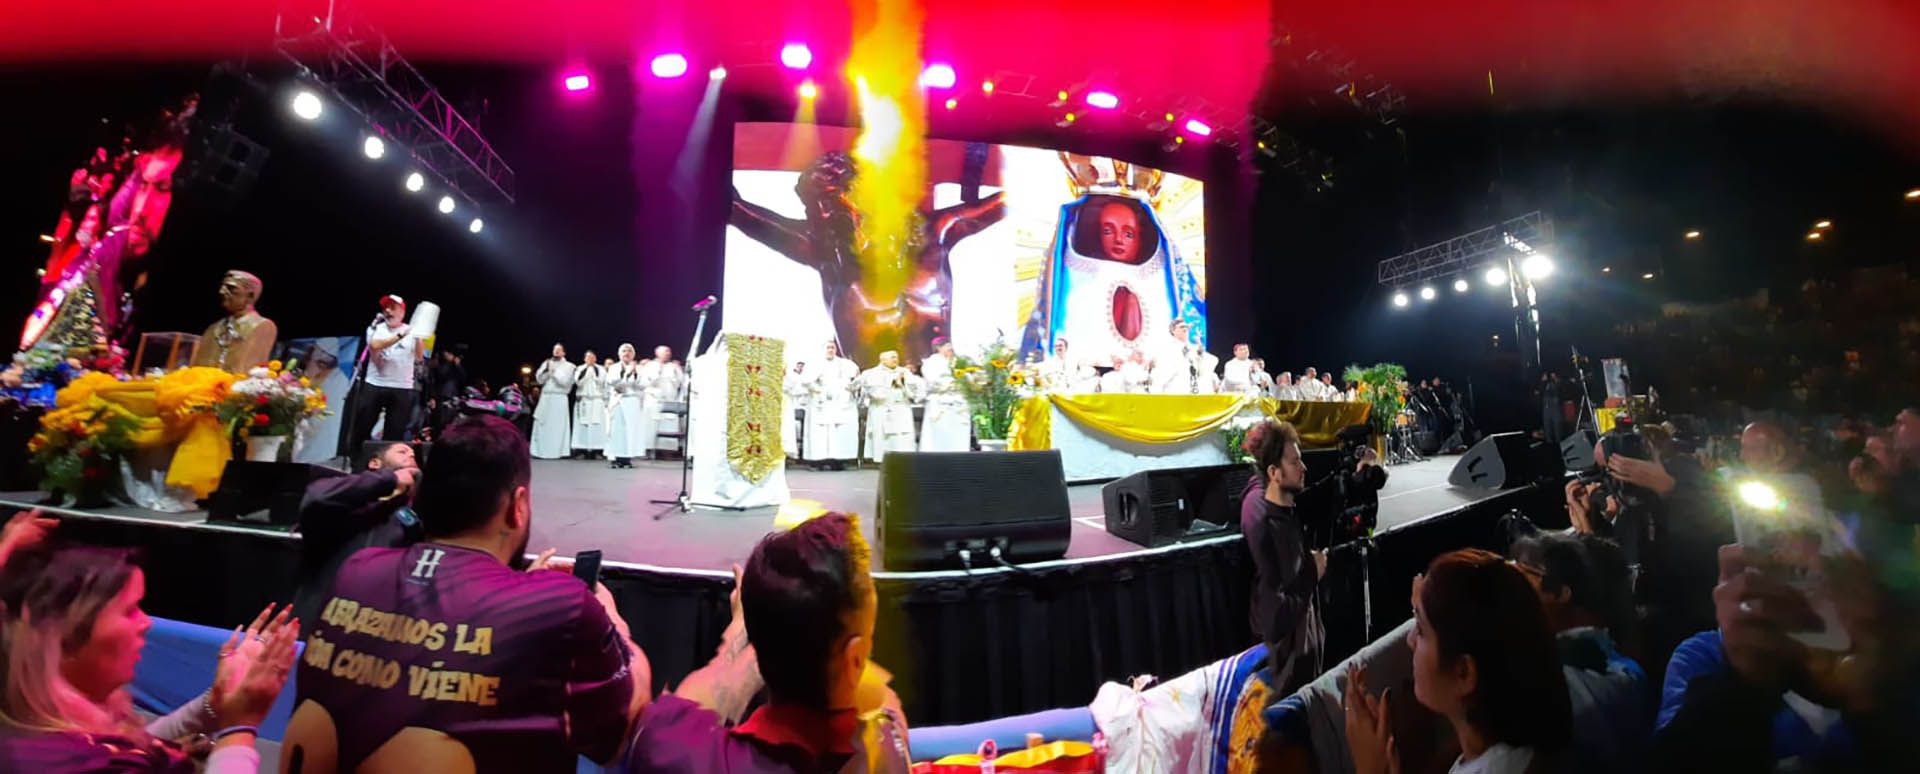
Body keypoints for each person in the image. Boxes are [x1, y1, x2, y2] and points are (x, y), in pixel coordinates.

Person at [282, 415, 647, 772]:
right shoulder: (561, 604)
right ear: (517, 506)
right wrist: (611, 618)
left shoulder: (357, 571)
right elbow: (618, 739)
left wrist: (521, 587)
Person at [625, 512, 911, 771]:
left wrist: (743, 630)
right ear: (856, 658)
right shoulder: (885, 748)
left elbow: (691, 705)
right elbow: (881, 700)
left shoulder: (676, 753)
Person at [0, 543, 299, 773]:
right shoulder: (75, 763)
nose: (146, 624)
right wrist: (240, 729)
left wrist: (213, 703)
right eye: (130, 610)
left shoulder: (37, 723)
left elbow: (139, 741)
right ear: (64, 636)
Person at [729, 150, 1006, 366]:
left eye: (829, 202)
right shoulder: (823, 248)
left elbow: (1008, 201)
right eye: (813, 208)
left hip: (937, 390)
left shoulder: (934, 232)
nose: (821, 215)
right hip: (866, 396)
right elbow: (738, 212)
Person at [1344, 549, 1573, 774]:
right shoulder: (1523, 743)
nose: (1410, 639)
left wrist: (1371, 767)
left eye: (1421, 629)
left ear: (1464, 673)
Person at [292, 441, 421, 628]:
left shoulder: (411, 513)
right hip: (317, 616)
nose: (410, 456)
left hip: (371, 625)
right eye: (402, 451)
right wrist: (390, 480)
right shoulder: (344, 494)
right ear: (375, 463)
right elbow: (317, 498)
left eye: (414, 455)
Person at [1239, 419, 1326, 696]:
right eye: (1295, 462)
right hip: (1282, 674)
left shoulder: (1284, 506)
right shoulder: (1262, 518)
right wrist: (1313, 571)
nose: (1304, 468)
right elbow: (1273, 616)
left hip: (1300, 660)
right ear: (1274, 472)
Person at [348, 295, 419, 453]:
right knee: (363, 426)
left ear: (402, 312)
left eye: (392, 307)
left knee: (394, 432)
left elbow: (420, 357)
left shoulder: (413, 332)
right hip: (375, 383)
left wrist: (419, 336)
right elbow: (375, 345)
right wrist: (402, 335)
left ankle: (387, 468)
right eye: (385, 307)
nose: (387, 311)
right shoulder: (375, 328)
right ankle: (357, 462)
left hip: (402, 386)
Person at [189, 270, 277, 374]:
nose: (221, 291)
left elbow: (244, 370)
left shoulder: (263, 326)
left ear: (250, 296)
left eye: (231, 288)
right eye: (223, 287)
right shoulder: (214, 328)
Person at [803, 341, 860, 467]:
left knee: (839, 432)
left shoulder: (845, 363)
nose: (830, 350)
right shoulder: (814, 364)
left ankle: (838, 461)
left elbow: (856, 378)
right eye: (828, 347)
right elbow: (807, 381)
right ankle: (818, 461)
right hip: (821, 403)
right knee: (821, 434)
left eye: (833, 347)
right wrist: (819, 391)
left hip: (840, 404)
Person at [858, 350, 917, 462]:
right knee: (883, 437)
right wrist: (893, 381)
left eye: (896, 357)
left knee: (902, 437)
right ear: (883, 360)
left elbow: (914, 392)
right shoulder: (871, 373)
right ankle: (882, 460)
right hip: (882, 409)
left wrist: (903, 383)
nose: (895, 359)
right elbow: (875, 394)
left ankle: (903, 459)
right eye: (892, 357)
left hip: (901, 408)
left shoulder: (904, 372)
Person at [918, 338, 969, 452]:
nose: (950, 349)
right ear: (939, 348)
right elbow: (932, 380)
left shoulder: (958, 362)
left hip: (958, 402)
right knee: (939, 432)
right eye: (947, 346)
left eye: (951, 346)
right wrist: (951, 384)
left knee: (958, 432)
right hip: (940, 401)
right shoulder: (931, 362)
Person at [638, 345, 687, 459]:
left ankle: (666, 451)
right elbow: (644, 382)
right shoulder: (650, 365)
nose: (668, 354)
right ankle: (648, 450)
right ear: (657, 353)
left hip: (669, 399)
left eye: (669, 352)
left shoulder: (673, 366)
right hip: (653, 400)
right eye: (665, 352)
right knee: (650, 426)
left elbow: (681, 382)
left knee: (668, 425)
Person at [529, 343, 575, 459]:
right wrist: (546, 371)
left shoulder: (570, 366)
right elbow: (539, 380)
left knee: (557, 426)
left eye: (559, 350)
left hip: (559, 398)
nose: (556, 352)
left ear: (564, 353)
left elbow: (564, 382)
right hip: (546, 397)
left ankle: (556, 452)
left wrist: (554, 372)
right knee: (542, 424)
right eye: (555, 350)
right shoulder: (547, 363)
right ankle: (539, 451)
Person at [605, 343, 646, 469]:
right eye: (624, 351)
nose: (626, 353)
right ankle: (616, 457)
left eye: (629, 351)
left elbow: (643, 384)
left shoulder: (639, 368)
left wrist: (635, 374)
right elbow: (614, 384)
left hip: (632, 401)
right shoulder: (614, 368)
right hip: (618, 400)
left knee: (630, 430)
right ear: (619, 354)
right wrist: (626, 375)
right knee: (617, 430)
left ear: (633, 354)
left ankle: (627, 458)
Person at [1153, 320, 1217, 394]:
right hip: (1176, 389)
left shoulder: (1195, 348)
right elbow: (1162, 372)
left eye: (1186, 327)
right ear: (1173, 331)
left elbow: (1211, 362)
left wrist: (1201, 353)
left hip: (1195, 389)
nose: (1185, 329)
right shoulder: (1168, 348)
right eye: (1182, 327)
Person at [422, 343, 468, 442]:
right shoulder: (441, 366)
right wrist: (432, 397)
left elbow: (463, 379)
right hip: (441, 396)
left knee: (450, 421)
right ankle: (436, 439)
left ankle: (446, 439)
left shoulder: (456, 367)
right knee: (439, 421)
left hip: (453, 396)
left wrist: (457, 364)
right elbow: (440, 377)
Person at [570, 349, 607, 458]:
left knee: (597, 426)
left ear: (595, 358)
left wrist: (593, 373)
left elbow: (602, 382)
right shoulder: (580, 369)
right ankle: (582, 449)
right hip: (584, 400)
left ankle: (597, 450)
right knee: (582, 425)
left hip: (596, 400)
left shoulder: (601, 369)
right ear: (584, 359)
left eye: (592, 357)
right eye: (587, 357)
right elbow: (578, 382)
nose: (590, 359)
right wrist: (587, 371)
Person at [781, 361, 809, 458]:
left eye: (802, 365)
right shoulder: (792, 376)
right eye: (799, 365)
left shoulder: (797, 377)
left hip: (797, 405)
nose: (800, 367)